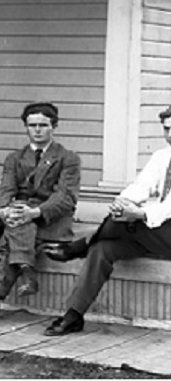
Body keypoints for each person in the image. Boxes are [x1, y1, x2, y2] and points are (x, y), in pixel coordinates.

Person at [43, 105, 171, 336]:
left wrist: (139, 214)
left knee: (126, 222)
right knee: (102, 248)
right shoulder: (162, 156)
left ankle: (79, 246)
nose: (170, 135)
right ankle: (73, 315)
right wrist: (123, 203)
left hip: (165, 232)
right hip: (158, 235)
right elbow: (142, 185)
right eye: (167, 129)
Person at [0, 102, 81, 325]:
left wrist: (35, 212)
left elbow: (65, 196)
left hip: (50, 218)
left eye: (43, 125)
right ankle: (26, 271)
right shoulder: (15, 158)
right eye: (32, 125)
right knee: (16, 220)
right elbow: (5, 189)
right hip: (21, 215)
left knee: (9, 241)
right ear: (26, 127)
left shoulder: (67, 158)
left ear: (54, 126)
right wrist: (3, 210)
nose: (38, 130)